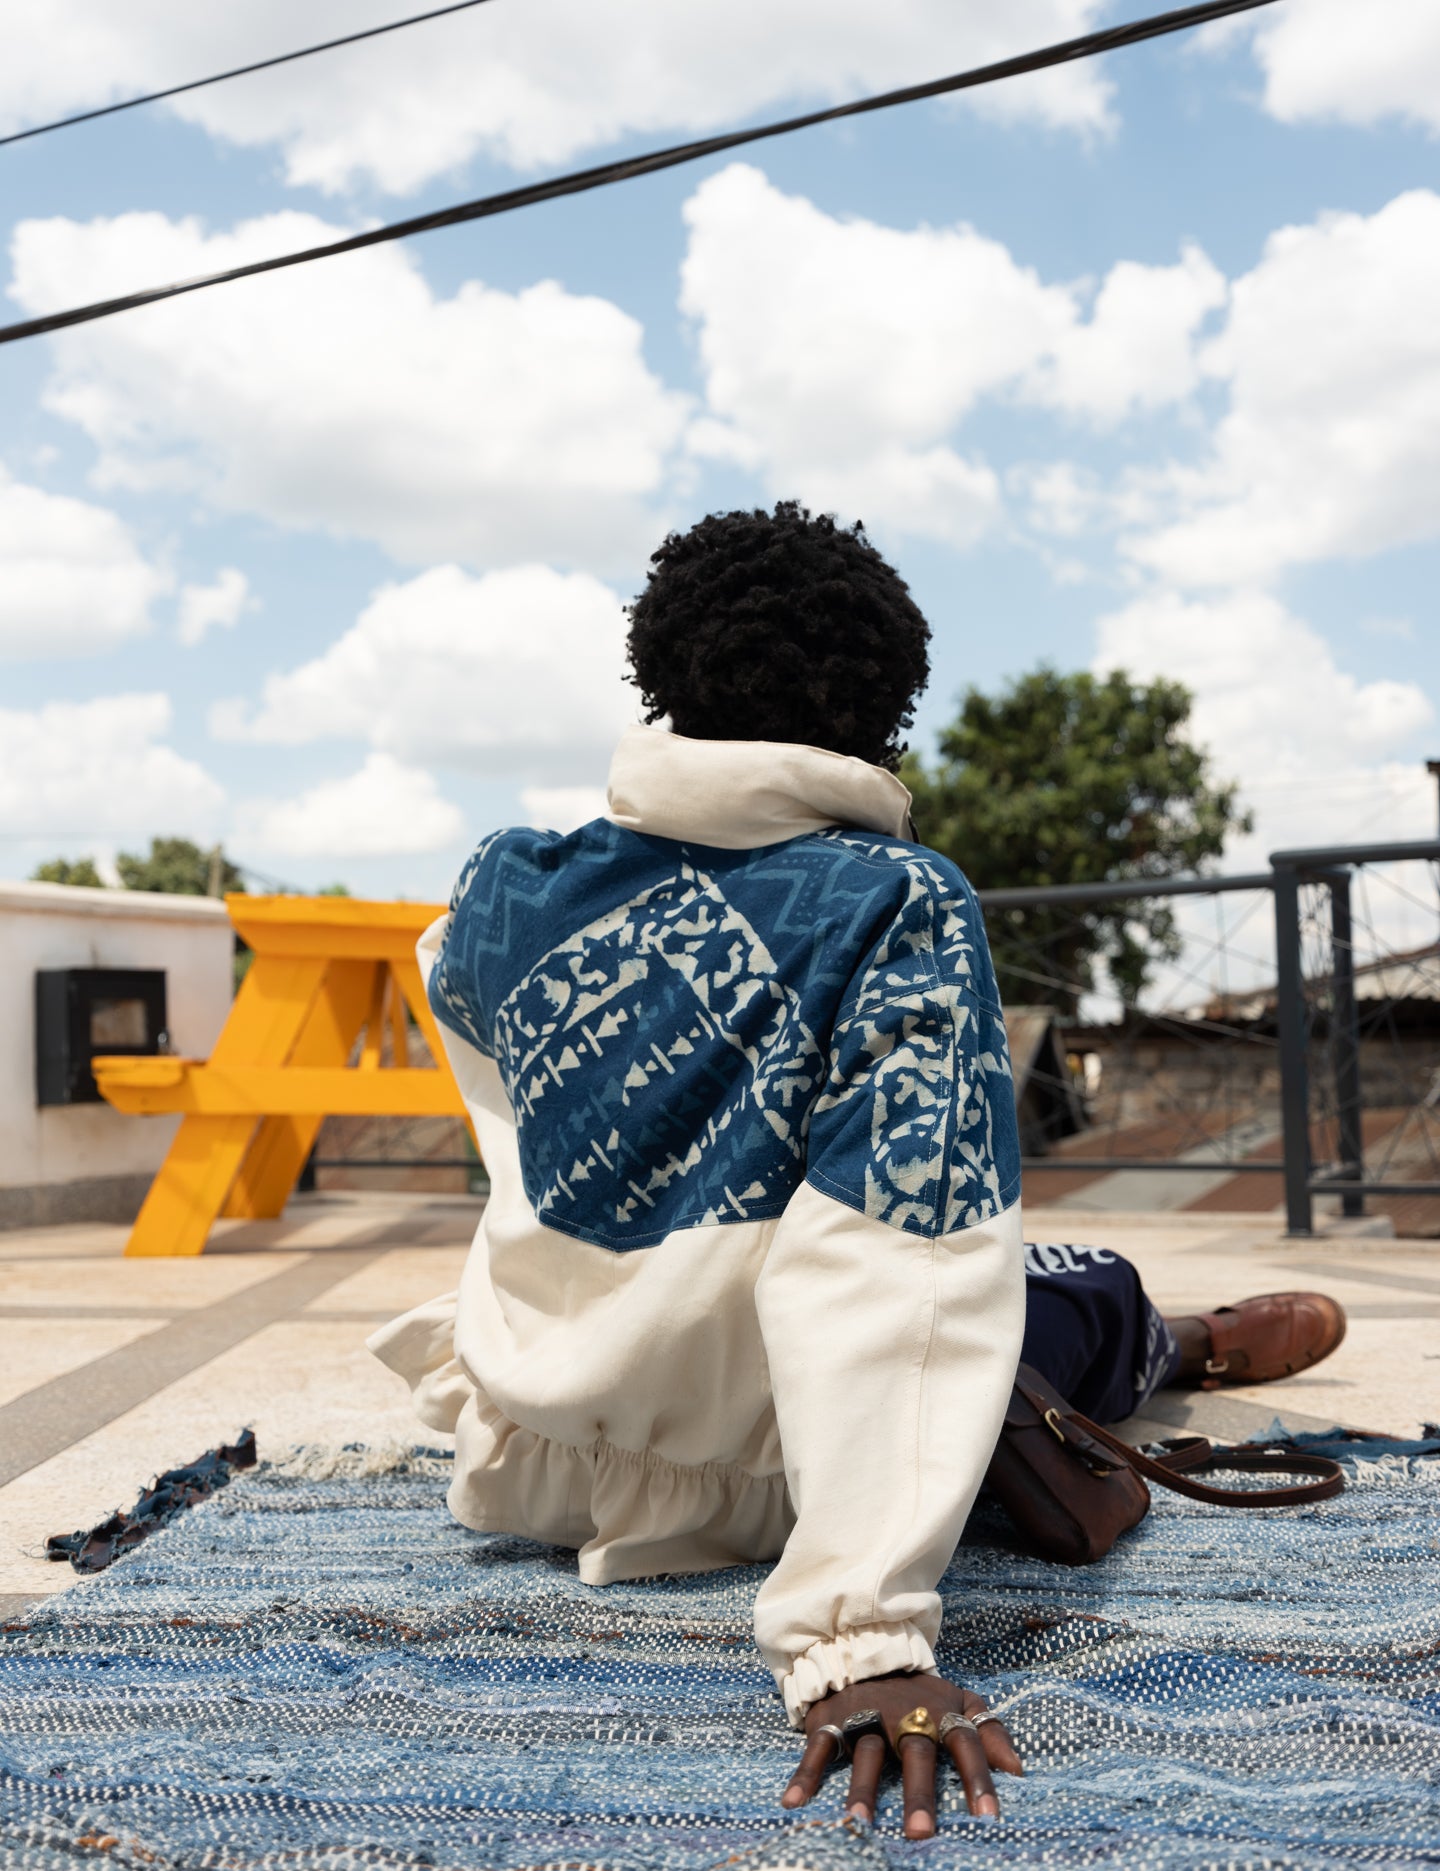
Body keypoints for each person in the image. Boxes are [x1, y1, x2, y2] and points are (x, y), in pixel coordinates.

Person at [369, 503, 1346, 1840]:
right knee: (1048, 1289)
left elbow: (493, 1077)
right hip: (764, 1475)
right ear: (885, 723)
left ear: (659, 683)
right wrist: (859, 1636)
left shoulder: (493, 893)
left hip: (542, 1453)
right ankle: (1173, 1339)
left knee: (970, 1276)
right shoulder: (893, 901)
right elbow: (895, 1255)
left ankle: (1164, 1331)